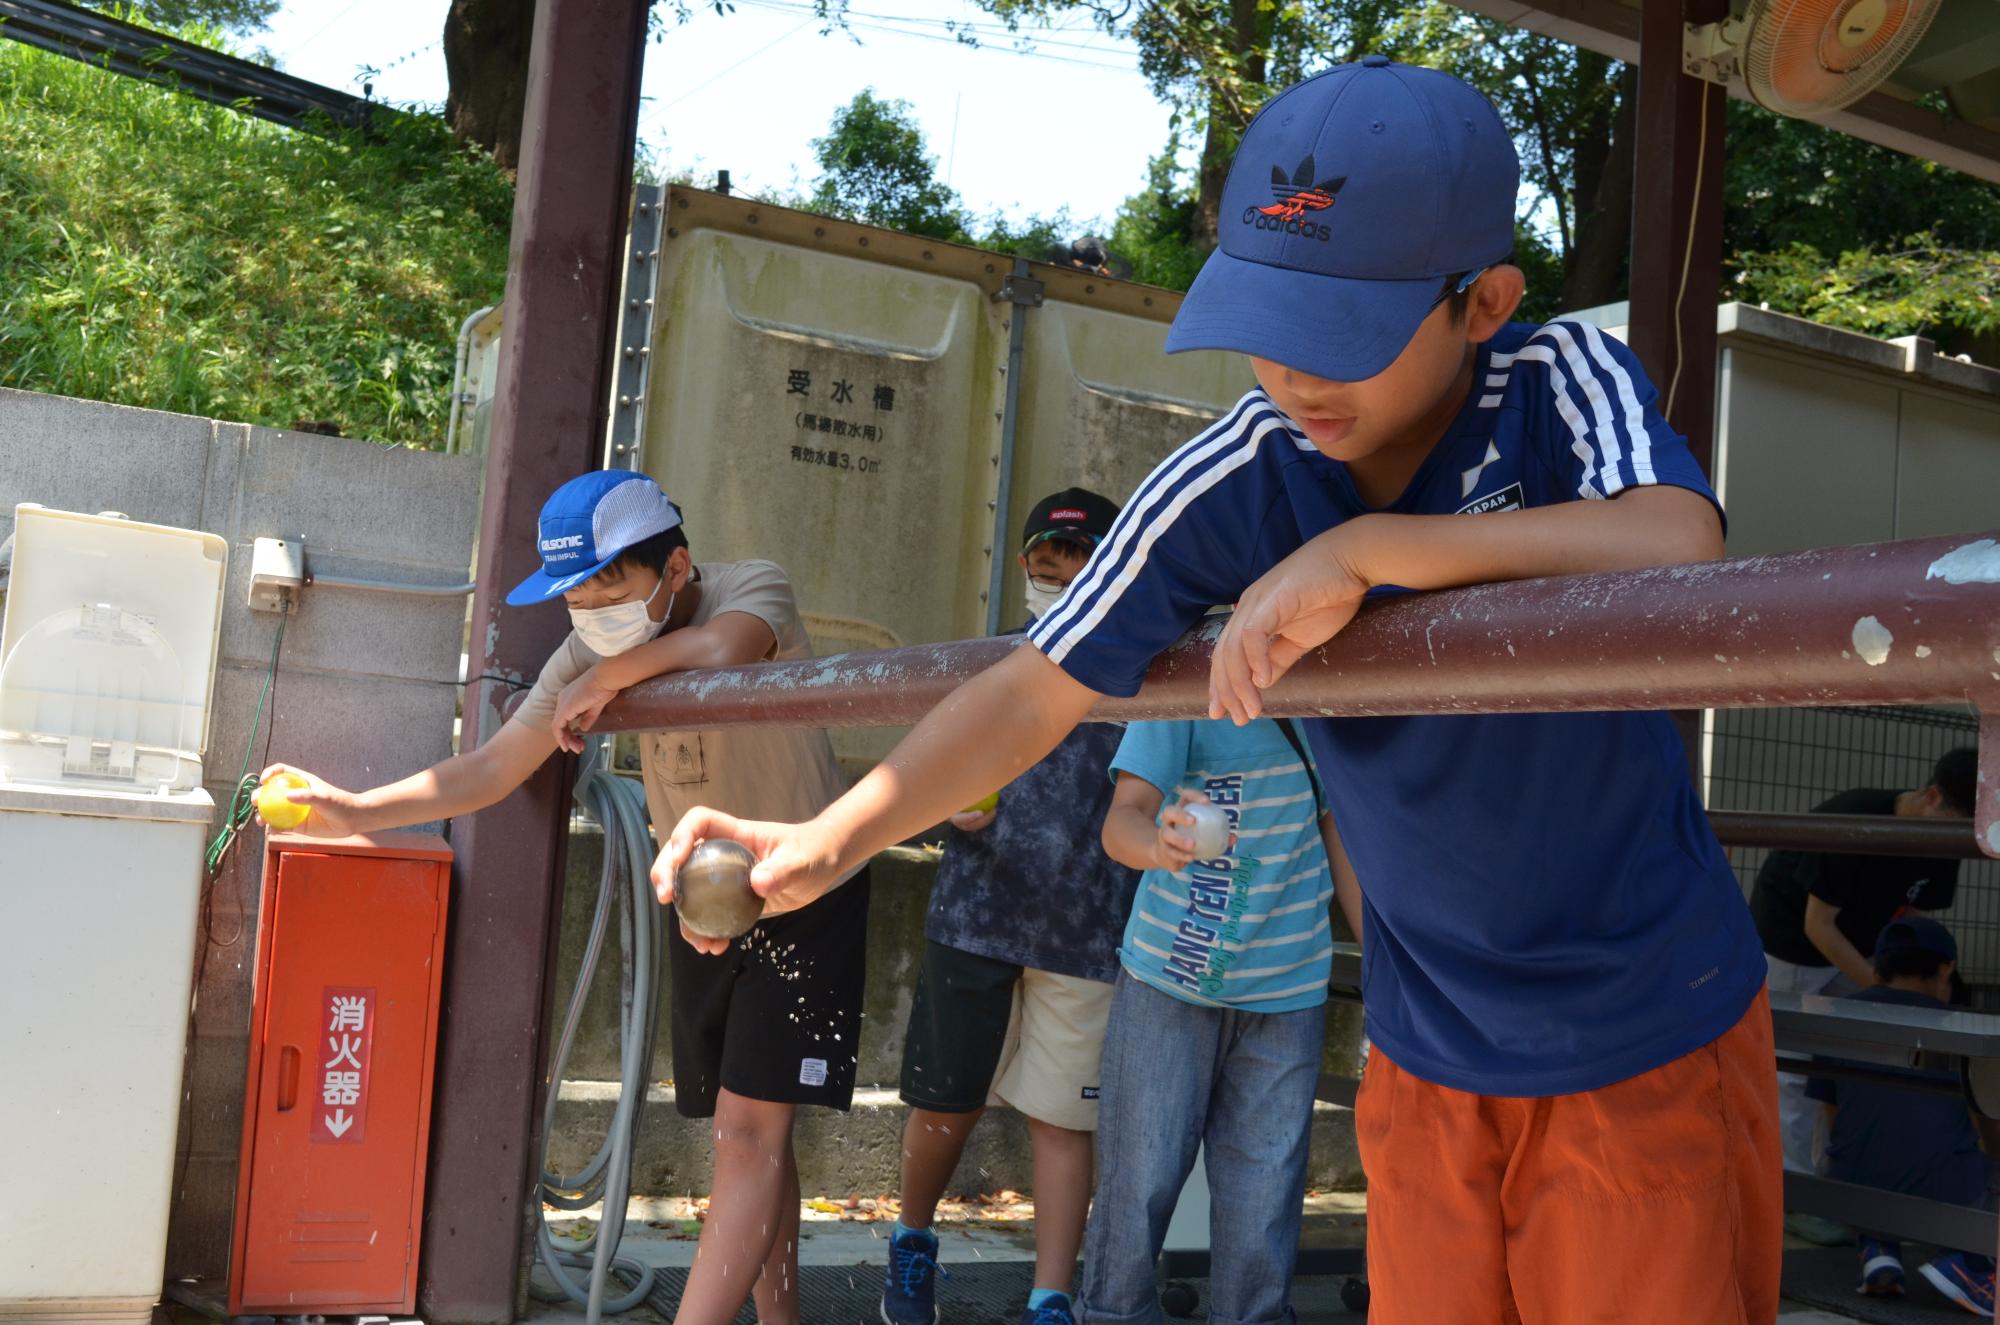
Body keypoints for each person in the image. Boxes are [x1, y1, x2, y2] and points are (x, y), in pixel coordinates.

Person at [662, 59, 1779, 1324]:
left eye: (1340, 335)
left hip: (1641, 1029)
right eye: (1266, 324)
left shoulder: (1556, 384)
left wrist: (1366, 554)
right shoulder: (1245, 465)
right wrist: (830, 836)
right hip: (1427, 1047)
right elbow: (1037, 683)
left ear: (1483, 303)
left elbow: (1678, 540)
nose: (1293, 376)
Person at [265, 470, 865, 1325]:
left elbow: (728, 647)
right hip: (702, 900)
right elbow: (489, 768)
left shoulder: (749, 585)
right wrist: (356, 810)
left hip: (807, 891)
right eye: (574, 590)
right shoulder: (585, 653)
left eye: (609, 581)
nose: (590, 605)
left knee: (746, 1133)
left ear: (677, 566)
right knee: (750, 1130)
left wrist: (616, 674)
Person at [882, 488, 1138, 1325]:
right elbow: (921, 773)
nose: (1057, 573)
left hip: (1089, 931)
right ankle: (911, 1244)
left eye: (1078, 557)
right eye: (1046, 558)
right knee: (944, 1102)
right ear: (1023, 564)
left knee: (1065, 1123)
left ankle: (1050, 1297)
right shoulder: (986, 659)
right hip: (975, 914)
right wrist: (950, 805)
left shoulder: (1143, 665)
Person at [1083, 715, 1352, 1324]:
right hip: (1167, 988)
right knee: (1138, 1186)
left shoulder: (1330, 687)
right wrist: (1158, 844)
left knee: (1264, 1207)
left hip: (1290, 991)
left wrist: (1387, 969)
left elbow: (1339, 833)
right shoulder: (1187, 682)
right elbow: (1122, 818)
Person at [1751, 746, 1978, 1183]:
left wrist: (1903, 974)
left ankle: (1839, 1174)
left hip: (1859, 944)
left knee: (1849, 1062)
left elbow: (1911, 914)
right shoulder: (1857, 818)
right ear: (1932, 796)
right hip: (1790, 945)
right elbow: (1818, 925)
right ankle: (1794, 1188)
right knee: (1792, 1069)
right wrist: (1882, 986)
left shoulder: (1946, 839)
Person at [1805, 917, 1999, 1314]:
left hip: (1849, 1183)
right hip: (1938, 1188)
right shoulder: (1961, 1025)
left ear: (1878, 969)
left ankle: (1879, 1250)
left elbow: (1831, 1109)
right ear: (1946, 968)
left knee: (1877, 1136)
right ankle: (1969, 1265)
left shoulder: (1838, 1015)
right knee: (1976, 1157)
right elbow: (1989, 1120)